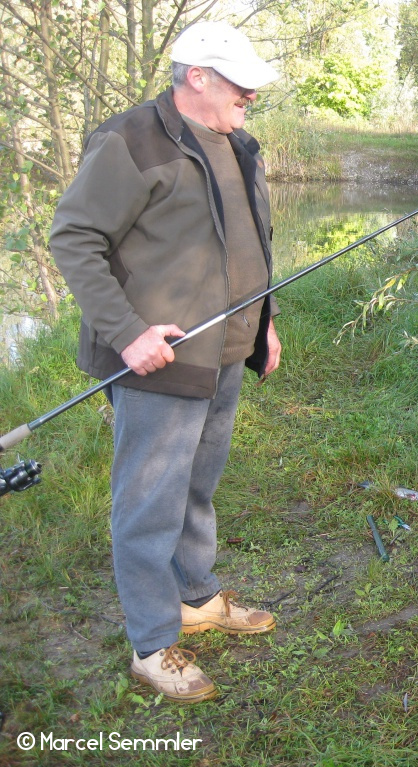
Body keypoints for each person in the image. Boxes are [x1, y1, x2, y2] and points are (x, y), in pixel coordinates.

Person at [49, 21, 283, 702]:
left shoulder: (238, 143)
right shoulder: (130, 141)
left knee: (198, 484)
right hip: (159, 361)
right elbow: (73, 237)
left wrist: (266, 323)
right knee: (148, 503)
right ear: (196, 77)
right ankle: (152, 645)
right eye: (241, 83)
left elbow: (250, 241)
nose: (253, 94)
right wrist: (127, 334)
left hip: (228, 352)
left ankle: (195, 596)